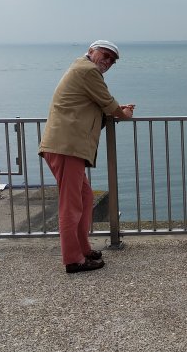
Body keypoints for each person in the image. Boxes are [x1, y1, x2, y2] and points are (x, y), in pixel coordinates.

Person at [39, 40, 135, 273]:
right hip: (66, 147)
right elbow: (108, 104)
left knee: (84, 196)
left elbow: (95, 106)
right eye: (105, 55)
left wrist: (116, 110)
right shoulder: (88, 71)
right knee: (71, 204)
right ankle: (73, 259)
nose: (108, 61)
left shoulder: (81, 69)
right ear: (91, 52)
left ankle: (83, 248)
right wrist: (123, 114)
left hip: (66, 146)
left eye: (112, 60)